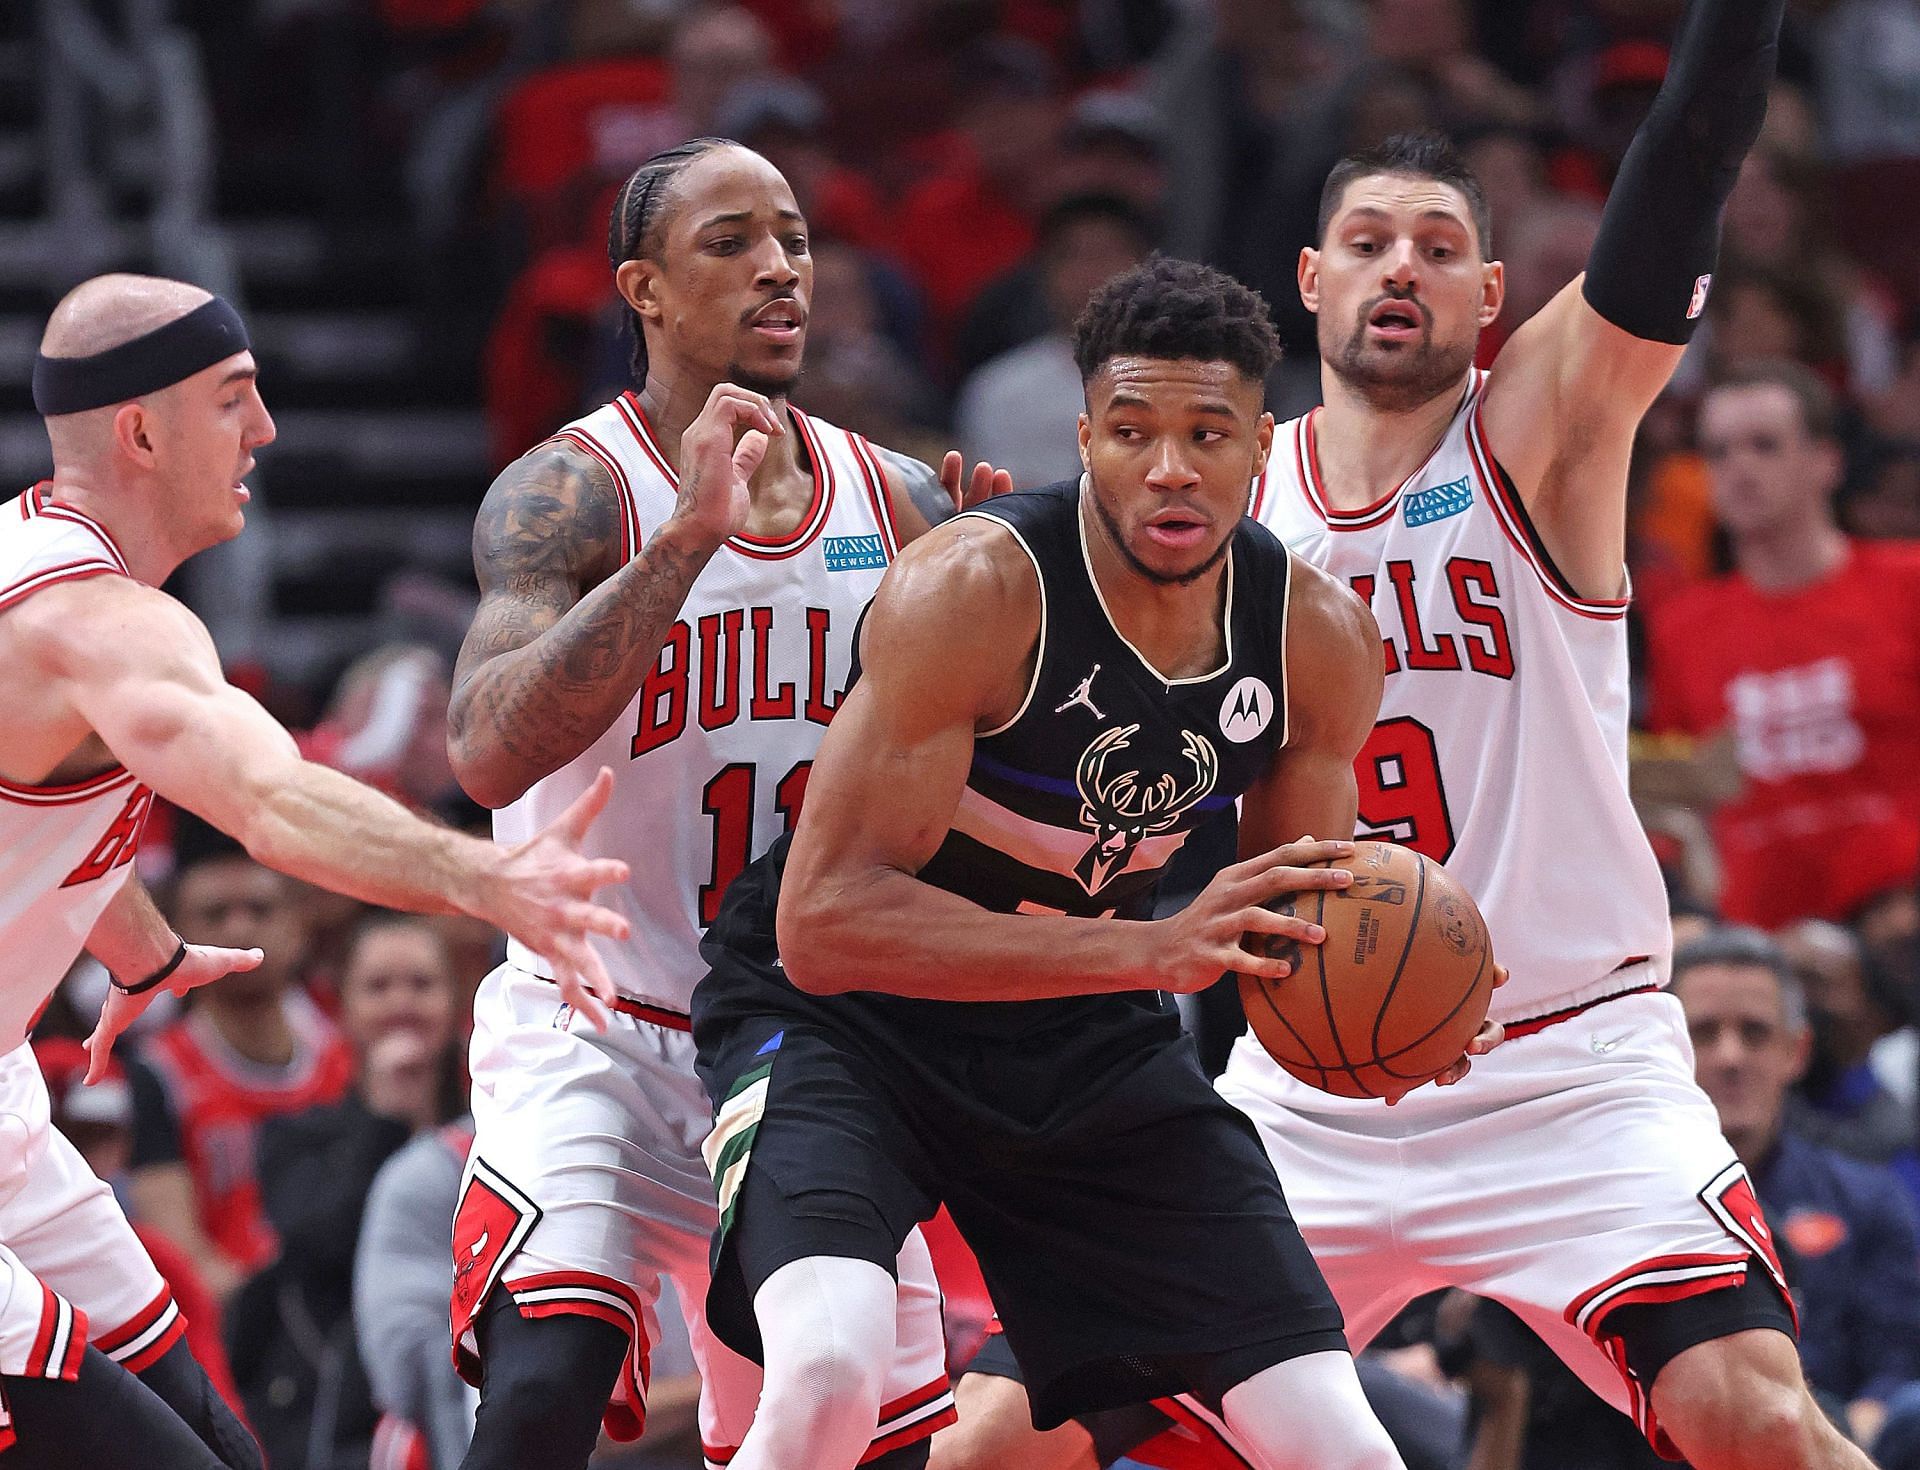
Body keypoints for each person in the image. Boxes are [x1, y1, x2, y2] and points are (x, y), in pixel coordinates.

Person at [944, 2, 1876, 1467]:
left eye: (1440, 248)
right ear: (1310, 280)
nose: (1402, 268)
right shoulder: (1221, 507)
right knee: (997, 1436)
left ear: (1492, 293)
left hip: (1566, 1062)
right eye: (1370, 241)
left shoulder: (1541, 437)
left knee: (1754, 1419)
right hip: (1304, 1085)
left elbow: (1683, 166)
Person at [691, 253, 1500, 1470]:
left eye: (1205, 433)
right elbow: (825, 924)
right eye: (1131, 432)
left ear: (1262, 449)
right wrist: (1153, 950)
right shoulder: (973, 587)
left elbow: (1296, 933)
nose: (1168, 467)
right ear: (1086, 436)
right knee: (826, 1369)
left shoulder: (1316, 642)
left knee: (1341, 1440)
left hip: (1075, 1028)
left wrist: (1390, 1036)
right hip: (841, 1022)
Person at [0, 270, 627, 1468]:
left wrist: (138, 942)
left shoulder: (36, 562)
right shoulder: (98, 618)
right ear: (141, 431)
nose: (267, 430)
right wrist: (488, 880)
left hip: (6, 1105)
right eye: (234, 399)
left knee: (220, 1440)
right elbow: (272, 798)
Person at [443, 137, 1002, 1470]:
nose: (781, 268)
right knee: (537, 1396)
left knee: (849, 1436)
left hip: (814, 1048)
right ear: (641, 287)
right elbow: (484, 754)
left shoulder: (904, 501)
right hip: (602, 1027)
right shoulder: (573, 487)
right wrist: (686, 539)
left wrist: (1023, 612)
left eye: (797, 239)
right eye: (733, 241)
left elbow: (981, 797)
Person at [1647, 362, 1920, 928]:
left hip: (1902, 922)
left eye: (1764, 446)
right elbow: (1680, 798)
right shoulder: (1681, 627)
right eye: (1718, 452)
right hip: (1759, 942)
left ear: (1827, 460)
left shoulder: (1907, 585)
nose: (1739, 468)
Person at [1672, 926, 1920, 1453]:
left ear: (1797, 1050)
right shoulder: (1614, 1209)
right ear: (1666, 1049)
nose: (1730, 1056)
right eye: (1704, 1033)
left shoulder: (1869, 1198)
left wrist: (1843, 1438)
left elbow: (1896, 1363)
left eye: (1755, 1032)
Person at [236, 913, 469, 1470]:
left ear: (456, 1003)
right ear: (341, 1006)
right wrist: (386, 1121)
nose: (401, 1003)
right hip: (340, 1410)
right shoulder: (294, 1137)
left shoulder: (497, 1133)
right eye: (378, 987)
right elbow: (323, 1243)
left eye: (421, 984)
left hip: (471, 1384)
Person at [128, 815, 354, 1304]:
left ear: (298, 926)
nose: (239, 927)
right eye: (214, 914)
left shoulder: (351, 1056)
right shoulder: (156, 1075)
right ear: (174, 937)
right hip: (240, 1333)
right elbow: (182, 1260)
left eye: (259, 908)